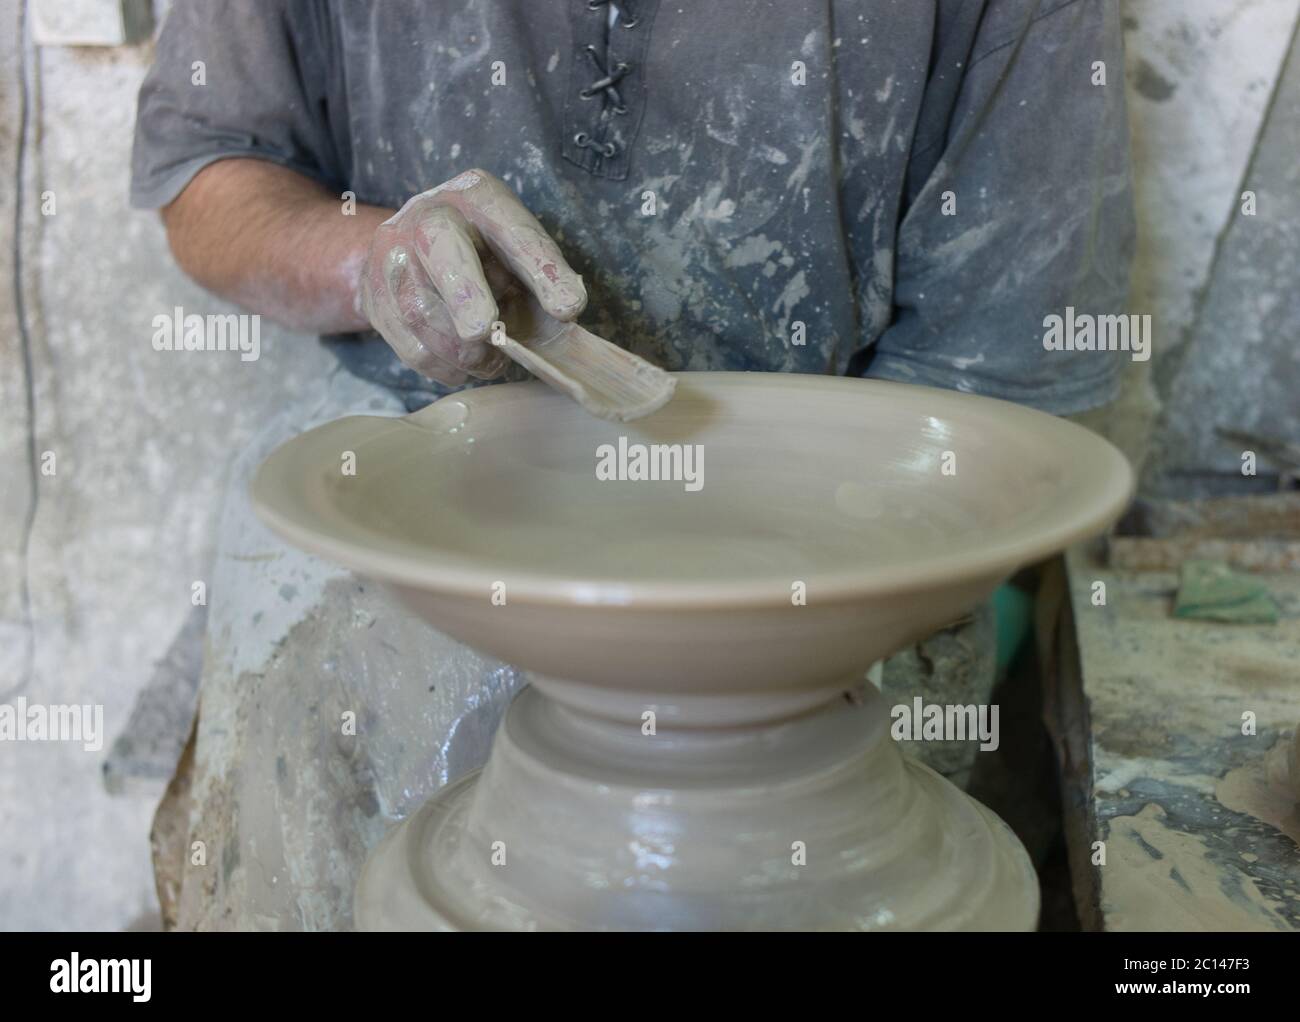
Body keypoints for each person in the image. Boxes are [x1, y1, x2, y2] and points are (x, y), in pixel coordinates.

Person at [132, 0, 1133, 929]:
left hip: (839, 531)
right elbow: (211, 169)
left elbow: (1002, 375)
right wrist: (369, 261)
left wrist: (794, 610)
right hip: (415, 463)